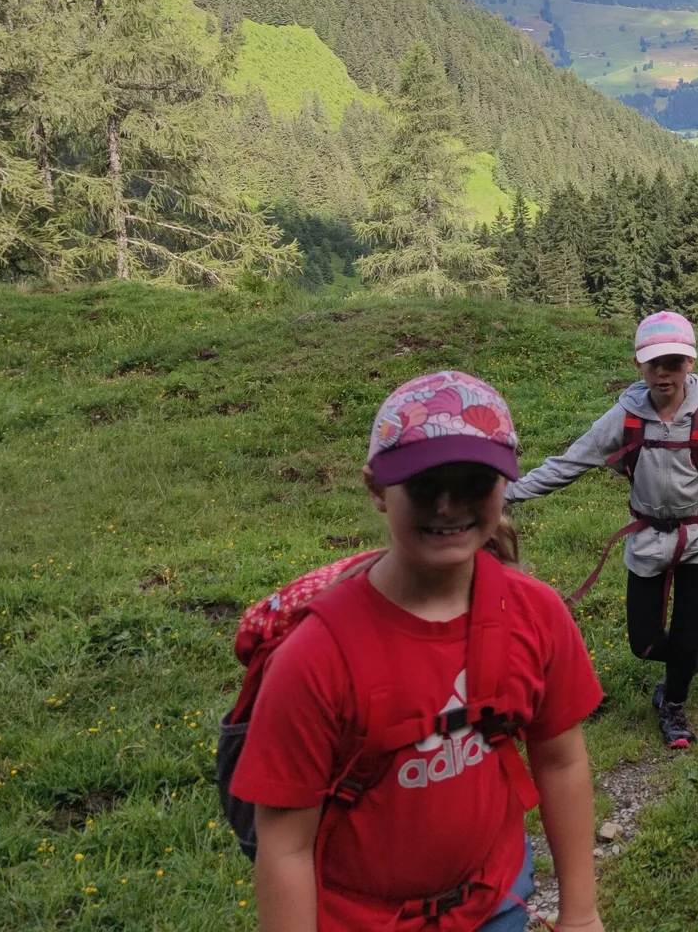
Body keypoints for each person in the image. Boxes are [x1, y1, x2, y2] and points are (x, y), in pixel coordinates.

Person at [235, 370, 604, 932]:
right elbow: (284, 846)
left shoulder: (535, 614)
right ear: (378, 489)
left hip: (496, 901)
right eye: (425, 483)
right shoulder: (316, 657)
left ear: (506, 485)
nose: (449, 505)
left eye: (475, 482)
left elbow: (561, 759)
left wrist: (580, 914)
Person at [507, 311, 698, 750]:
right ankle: (687, 659)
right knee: (644, 642)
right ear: (638, 365)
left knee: (685, 633)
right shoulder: (625, 417)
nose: (663, 373)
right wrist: (509, 494)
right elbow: (570, 463)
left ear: (690, 362)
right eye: (654, 364)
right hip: (648, 539)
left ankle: (674, 704)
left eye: (674, 362)